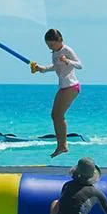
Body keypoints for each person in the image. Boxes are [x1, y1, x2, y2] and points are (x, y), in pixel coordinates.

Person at [29, 28, 82, 158]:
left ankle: (63, 145)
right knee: (55, 115)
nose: (50, 47)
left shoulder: (67, 50)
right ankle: (61, 145)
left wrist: (67, 61)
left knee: (59, 115)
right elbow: (56, 67)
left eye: (52, 44)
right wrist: (43, 69)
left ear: (59, 41)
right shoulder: (54, 53)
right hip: (63, 87)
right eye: (48, 45)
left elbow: (80, 65)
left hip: (71, 86)